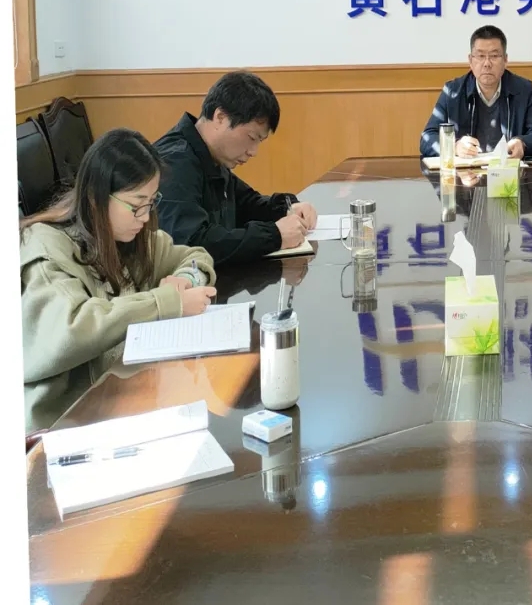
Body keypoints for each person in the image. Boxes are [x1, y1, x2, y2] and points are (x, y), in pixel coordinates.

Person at [20, 129, 218, 433]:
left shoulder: (127, 237)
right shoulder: (45, 249)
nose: (145, 217)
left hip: (123, 399)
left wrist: (185, 279)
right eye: (136, 205)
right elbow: (73, 328)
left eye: (151, 202)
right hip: (63, 425)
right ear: (95, 197)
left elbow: (195, 256)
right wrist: (167, 302)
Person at [155, 71, 318, 267]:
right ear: (220, 117)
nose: (253, 152)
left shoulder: (211, 155)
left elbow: (247, 204)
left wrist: (287, 208)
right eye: (251, 137)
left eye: (259, 141)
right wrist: (274, 236)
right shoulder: (174, 162)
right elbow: (192, 244)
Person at [420, 25, 532, 160]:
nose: (487, 63)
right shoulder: (452, 92)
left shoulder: (523, 90)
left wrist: (522, 143)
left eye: (494, 56)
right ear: (470, 60)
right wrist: (454, 147)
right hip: (467, 171)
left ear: (505, 60)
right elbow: (427, 138)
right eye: (481, 56)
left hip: (507, 170)